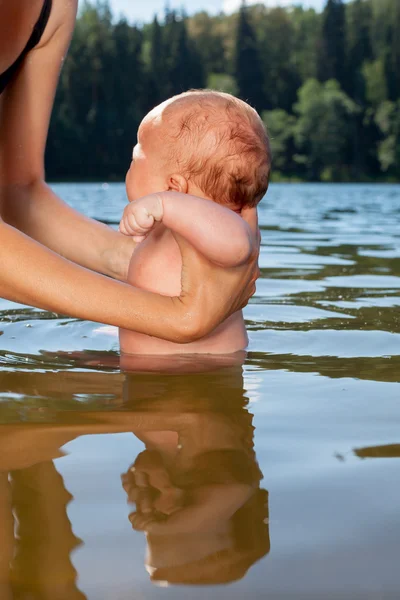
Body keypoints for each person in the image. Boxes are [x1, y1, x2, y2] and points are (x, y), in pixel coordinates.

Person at [0, 0, 259, 346]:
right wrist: (174, 318)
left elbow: (16, 191)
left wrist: (141, 267)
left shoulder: (56, 6)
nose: (130, 158)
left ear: (174, 188)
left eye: (137, 155)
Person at [119, 90, 271, 355]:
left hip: (197, 371)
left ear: (173, 188)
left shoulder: (226, 227)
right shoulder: (173, 229)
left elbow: (238, 245)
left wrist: (163, 204)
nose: (128, 169)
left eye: (135, 160)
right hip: (153, 367)